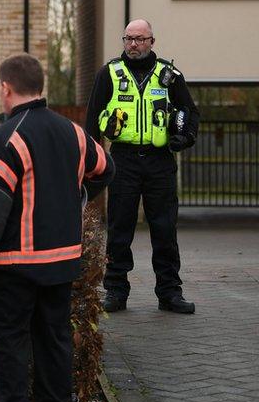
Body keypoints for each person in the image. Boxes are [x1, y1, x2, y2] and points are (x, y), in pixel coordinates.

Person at [0, 54, 114, 402]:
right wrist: (76, 199)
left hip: (15, 268)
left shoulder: (6, 138)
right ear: (40, 86)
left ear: (6, 88)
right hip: (62, 263)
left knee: (11, 348)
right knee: (54, 344)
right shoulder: (74, 132)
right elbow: (106, 169)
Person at [85, 19, 200, 314]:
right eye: (128, 39)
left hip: (160, 161)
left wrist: (183, 139)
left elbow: (190, 112)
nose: (133, 44)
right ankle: (116, 292)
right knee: (120, 228)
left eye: (139, 39)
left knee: (164, 229)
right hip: (122, 159)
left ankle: (169, 293)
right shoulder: (109, 73)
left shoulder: (169, 75)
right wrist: (92, 159)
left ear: (152, 41)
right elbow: (91, 120)